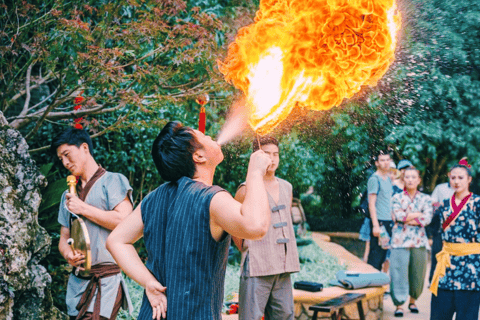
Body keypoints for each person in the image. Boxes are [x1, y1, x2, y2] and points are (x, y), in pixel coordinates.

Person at [106, 121, 272, 320]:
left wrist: (148, 282)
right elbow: (256, 226)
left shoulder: (153, 198)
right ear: (198, 156)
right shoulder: (212, 199)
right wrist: (255, 172)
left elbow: (115, 241)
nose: (210, 136)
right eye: (203, 136)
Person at [51, 128, 134, 320]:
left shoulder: (113, 181)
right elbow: (64, 238)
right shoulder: (68, 196)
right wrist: (67, 254)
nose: (65, 163)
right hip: (78, 283)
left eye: (67, 155)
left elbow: (124, 222)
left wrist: (83, 208)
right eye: (61, 159)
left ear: (85, 148)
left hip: (106, 282)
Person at [232, 136, 300, 320]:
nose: (272, 159)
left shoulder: (287, 187)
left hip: (283, 266)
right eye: (267, 154)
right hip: (257, 266)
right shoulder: (245, 190)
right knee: (250, 316)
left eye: (275, 154)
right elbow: (235, 230)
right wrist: (249, 249)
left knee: (284, 315)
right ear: (256, 157)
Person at [430, 160, 480, 320]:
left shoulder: (477, 203)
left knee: (467, 315)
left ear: (469, 180)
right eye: (453, 178)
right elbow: (435, 232)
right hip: (446, 264)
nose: (456, 181)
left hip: (471, 266)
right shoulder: (444, 205)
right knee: (440, 313)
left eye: (460, 178)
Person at [390, 167, 432, 317]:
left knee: (418, 273)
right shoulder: (396, 198)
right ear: (403, 179)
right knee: (398, 273)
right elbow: (398, 216)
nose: (410, 180)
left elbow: (426, 219)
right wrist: (417, 215)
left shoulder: (426, 199)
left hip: (419, 241)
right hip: (399, 241)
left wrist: (408, 217)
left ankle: (413, 301)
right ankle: (399, 305)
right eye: (407, 177)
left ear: (419, 180)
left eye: (414, 177)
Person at [366, 151, 394, 271]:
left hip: (388, 222)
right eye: (382, 160)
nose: (386, 163)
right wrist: (375, 225)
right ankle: (371, 285)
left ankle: (379, 286)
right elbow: (371, 203)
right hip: (380, 222)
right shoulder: (374, 179)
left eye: (387, 160)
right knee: (375, 257)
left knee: (384, 255)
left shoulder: (388, 179)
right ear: (377, 163)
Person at [428, 175, 454, 283]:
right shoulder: (440, 188)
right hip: (440, 226)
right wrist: (442, 205)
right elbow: (432, 201)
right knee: (436, 254)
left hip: (454, 228)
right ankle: (432, 280)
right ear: (449, 174)